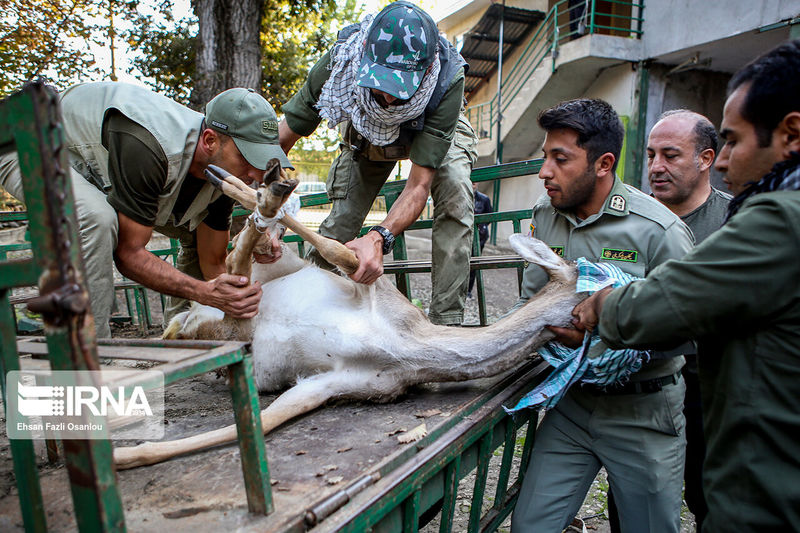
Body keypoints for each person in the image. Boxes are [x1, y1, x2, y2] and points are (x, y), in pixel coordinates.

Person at [573, 39, 800, 530]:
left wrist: (601, 306)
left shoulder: (778, 218)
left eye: (736, 142)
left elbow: (668, 301)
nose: (724, 163)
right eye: (650, 154)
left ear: (791, 135)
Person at [509, 98, 694, 532]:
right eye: (544, 157)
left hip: (644, 413)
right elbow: (531, 303)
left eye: (561, 159)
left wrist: (598, 339)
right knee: (530, 526)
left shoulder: (659, 231)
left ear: (603, 163)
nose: (544, 173)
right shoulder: (545, 216)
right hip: (574, 407)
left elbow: (688, 328)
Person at [0, 82, 291, 337]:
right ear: (210, 140)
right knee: (95, 219)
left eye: (262, 159)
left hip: (91, 158)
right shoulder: (149, 146)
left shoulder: (222, 173)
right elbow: (129, 254)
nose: (255, 172)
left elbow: (212, 261)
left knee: (192, 226)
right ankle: (90, 357)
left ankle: (183, 336)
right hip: (26, 140)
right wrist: (204, 293)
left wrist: (233, 299)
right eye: (247, 157)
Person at [278, 0, 478, 325]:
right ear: (366, 57)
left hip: (431, 124)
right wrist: (269, 214)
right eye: (380, 81)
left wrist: (378, 238)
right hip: (367, 127)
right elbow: (283, 138)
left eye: (399, 88)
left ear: (426, 70)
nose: (387, 97)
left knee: (455, 191)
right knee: (341, 222)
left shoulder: (447, 78)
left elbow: (418, 186)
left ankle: (446, 324)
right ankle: (299, 313)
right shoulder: (340, 61)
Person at [467, 182, 493, 297]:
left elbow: (489, 216)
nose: (472, 185)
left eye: (474, 183)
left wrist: (480, 227)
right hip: (463, 236)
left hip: (479, 237)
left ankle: (468, 290)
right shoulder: (461, 196)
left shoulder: (484, 199)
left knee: (473, 263)